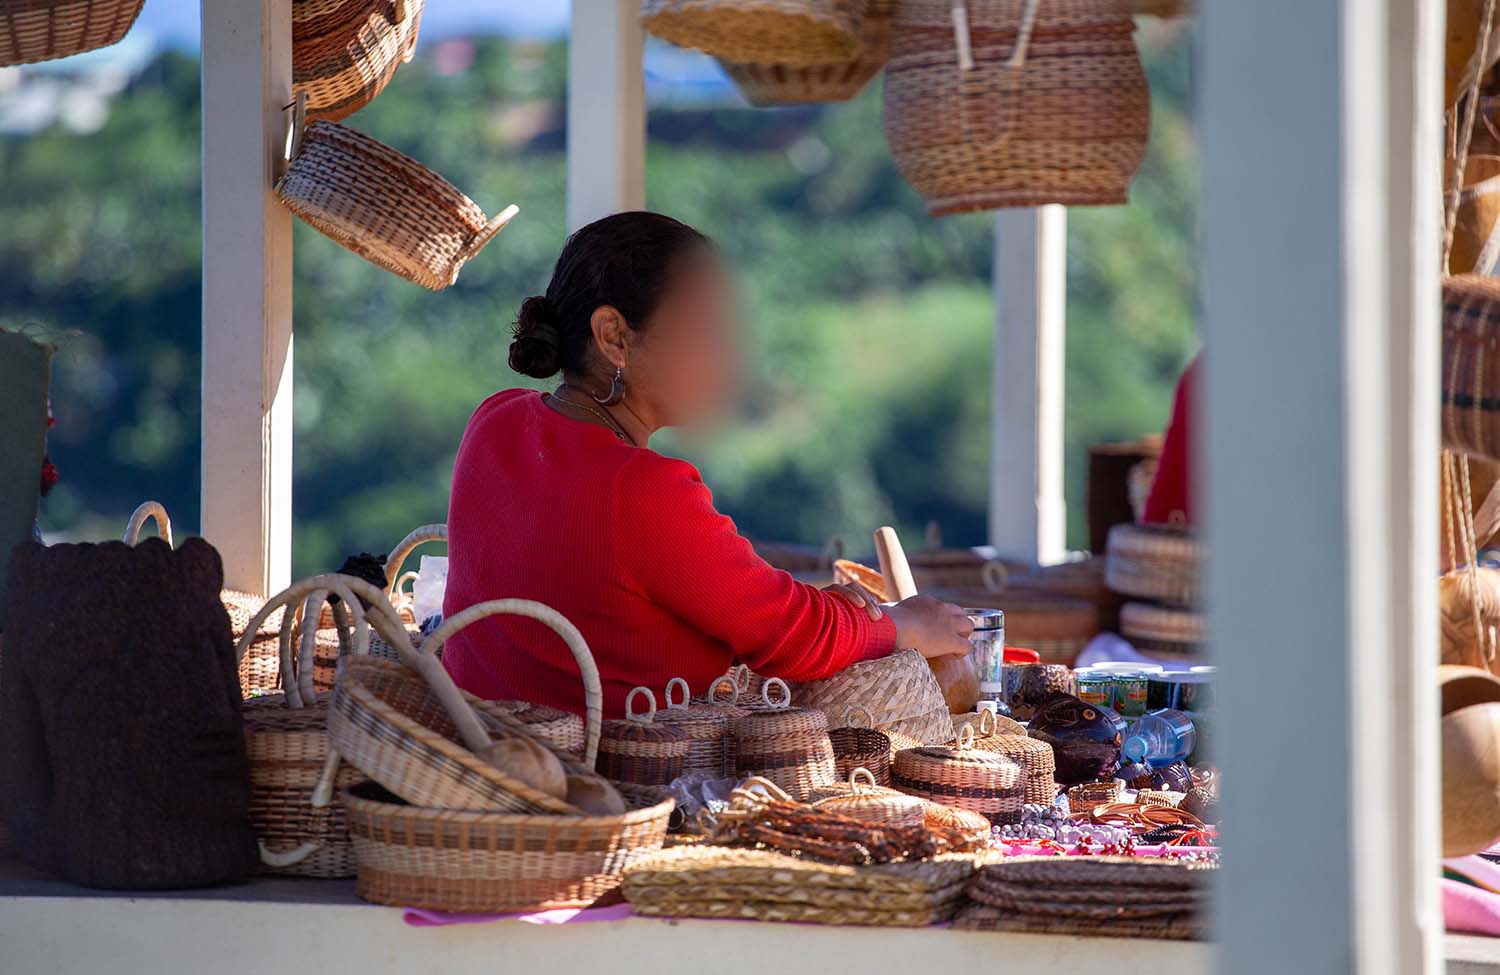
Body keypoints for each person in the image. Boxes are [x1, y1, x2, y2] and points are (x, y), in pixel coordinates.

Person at [443, 211, 973, 718]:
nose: (731, 358)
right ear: (614, 336)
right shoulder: (641, 488)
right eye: (706, 330)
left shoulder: (494, 420)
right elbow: (790, 633)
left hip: (483, 751)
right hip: (603, 786)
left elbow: (753, 607)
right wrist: (905, 625)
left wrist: (837, 615)